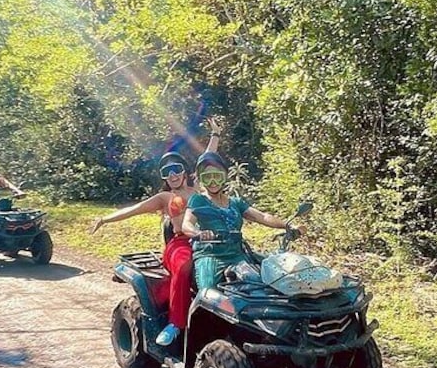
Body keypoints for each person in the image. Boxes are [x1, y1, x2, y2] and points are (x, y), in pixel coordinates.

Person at [91, 118, 223, 346]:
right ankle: (175, 324)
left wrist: (216, 135)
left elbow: (207, 159)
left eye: (176, 169)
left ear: (185, 172)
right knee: (184, 267)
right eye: (166, 171)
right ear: (163, 176)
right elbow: (134, 209)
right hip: (180, 245)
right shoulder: (165, 198)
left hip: (207, 241)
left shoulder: (199, 191)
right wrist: (104, 219)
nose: (172, 175)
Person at [182, 151, 303, 290]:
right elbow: (187, 224)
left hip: (237, 256)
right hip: (210, 256)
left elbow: (262, 216)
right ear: (201, 180)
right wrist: (199, 233)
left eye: (217, 176)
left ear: (225, 177)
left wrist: (288, 226)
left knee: (261, 286)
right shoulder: (198, 200)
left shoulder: (235, 202)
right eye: (207, 177)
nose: (213, 182)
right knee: (208, 293)